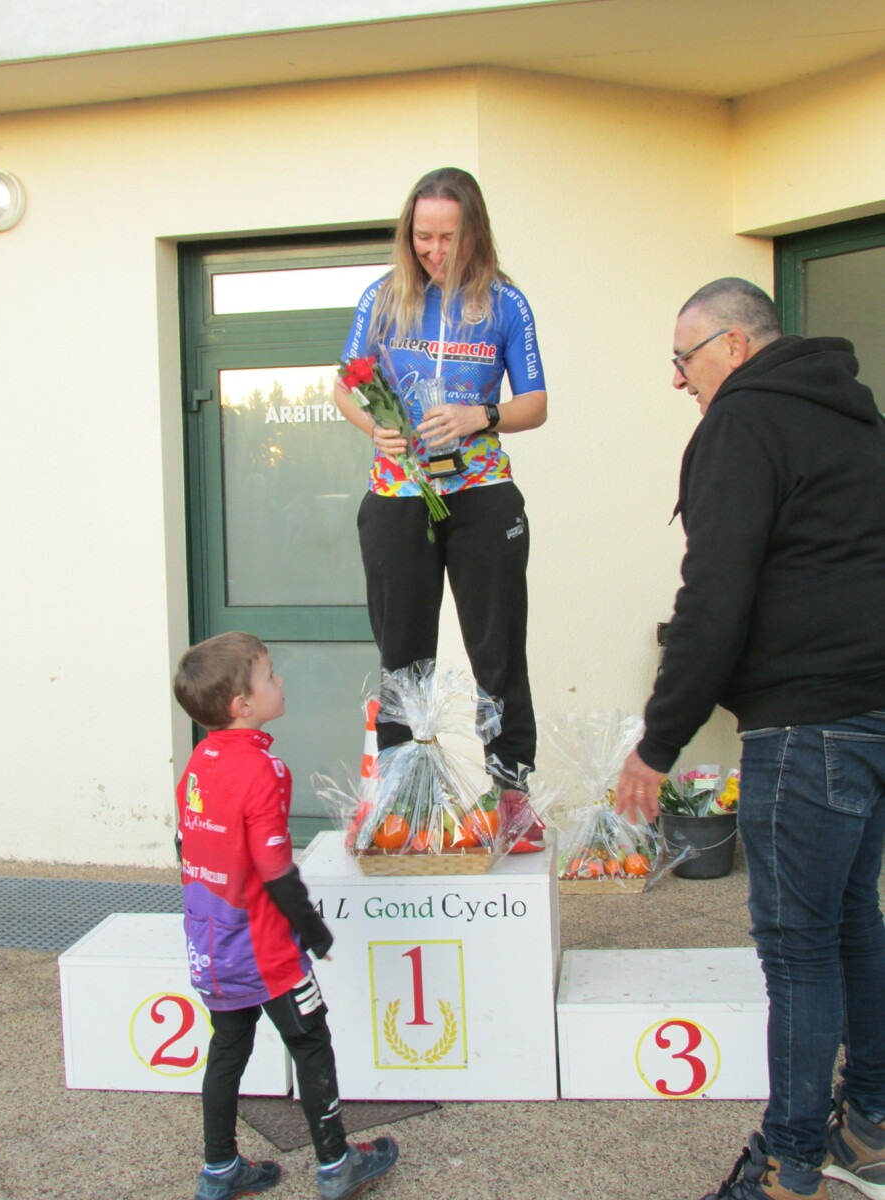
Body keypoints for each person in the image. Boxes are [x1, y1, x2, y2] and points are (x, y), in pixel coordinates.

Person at [615, 278, 885, 1200]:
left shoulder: (742, 420)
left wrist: (658, 742)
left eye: (682, 359)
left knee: (799, 949)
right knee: (855, 923)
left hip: (806, 725)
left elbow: (714, 597)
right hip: (873, 712)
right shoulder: (858, 420)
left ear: (732, 345)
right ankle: (870, 1127)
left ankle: (790, 1163)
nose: (677, 379)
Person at [335, 166, 548, 842]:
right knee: (402, 656)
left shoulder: (506, 304)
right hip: (399, 493)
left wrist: (479, 415)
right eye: (422, 237)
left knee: (498, 649)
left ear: (474, 231)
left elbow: (536, 404)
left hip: (481, 493)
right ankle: (401, 801)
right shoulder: (382, 297)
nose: (433, 250)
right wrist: (374, 427)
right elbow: (344, 385)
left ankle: (511, 791)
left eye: (447, 237)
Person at [173, 632, 399, 1200]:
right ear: (241, 705)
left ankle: (219, 1171)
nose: (281, 681)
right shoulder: (264, 769)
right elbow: (275, 870)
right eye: (270, 675)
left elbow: (185, 844)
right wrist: (314, 931)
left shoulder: (200, 761)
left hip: (210, 941)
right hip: (265, 946)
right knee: (310, 1039)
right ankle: (336, 1165)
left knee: (227, 1049)